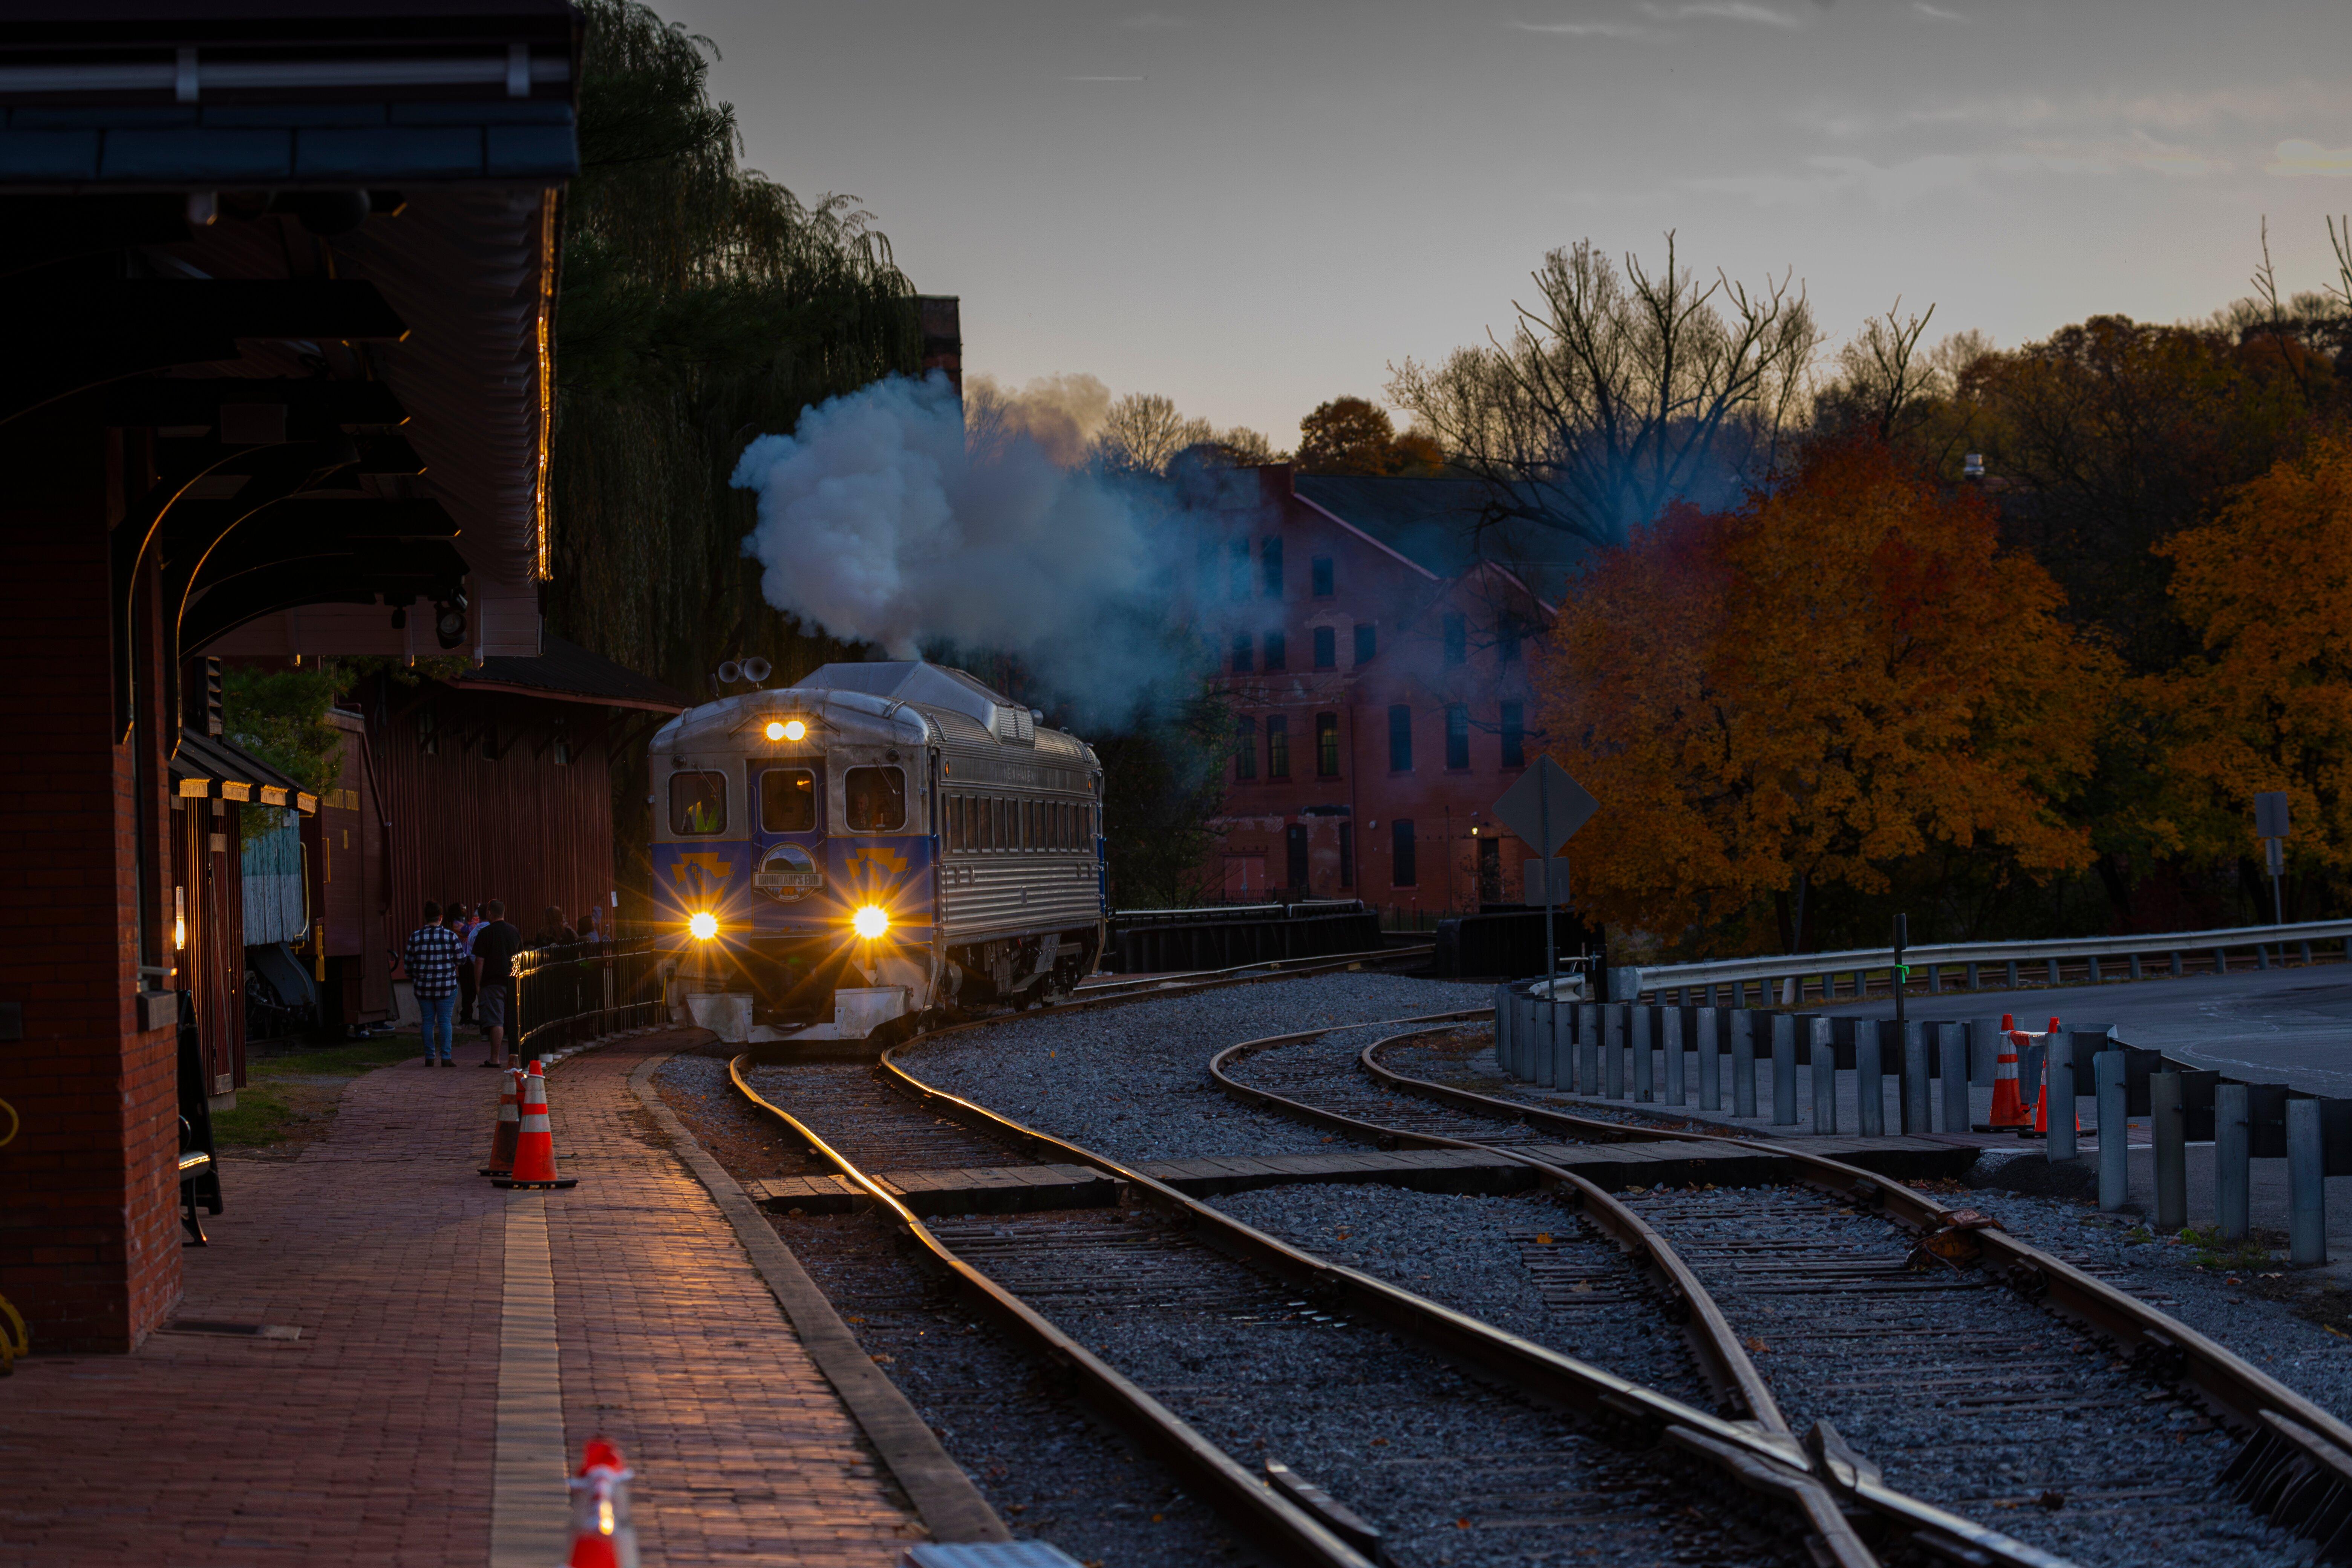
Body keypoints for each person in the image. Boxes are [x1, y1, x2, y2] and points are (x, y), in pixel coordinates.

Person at [403, 900, 465, 1067]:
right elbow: (461, 959)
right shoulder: (451, 936)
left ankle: (429, 1057)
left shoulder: (415, 937)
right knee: (445, 1021)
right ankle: (446, 1057)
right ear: (441, 917)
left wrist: (416, 976)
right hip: (446, 987)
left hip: (423, 987)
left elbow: (408, 964)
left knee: (428, 1021)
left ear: (426, 917)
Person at [470, 899, 525, 1067]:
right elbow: (520, 957)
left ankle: (495, 1058)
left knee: (496, 1021)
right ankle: (516, 1057)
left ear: (489, 914)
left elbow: (480, 961)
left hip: (492, 982)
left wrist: (478, 985)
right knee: (514, 1019)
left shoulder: (485, 933)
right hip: (512, 981)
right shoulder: (514, 931)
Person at [447, 897, 479, 1024]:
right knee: (468, 989)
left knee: (471, 989)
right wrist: (477, 916)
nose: (465, 909)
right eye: (463, 908)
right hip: (464, 961)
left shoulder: (463, 923)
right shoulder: (456, 925)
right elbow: (470, 931)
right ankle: (466, 1017)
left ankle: (468, 1015)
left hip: (468, 960)